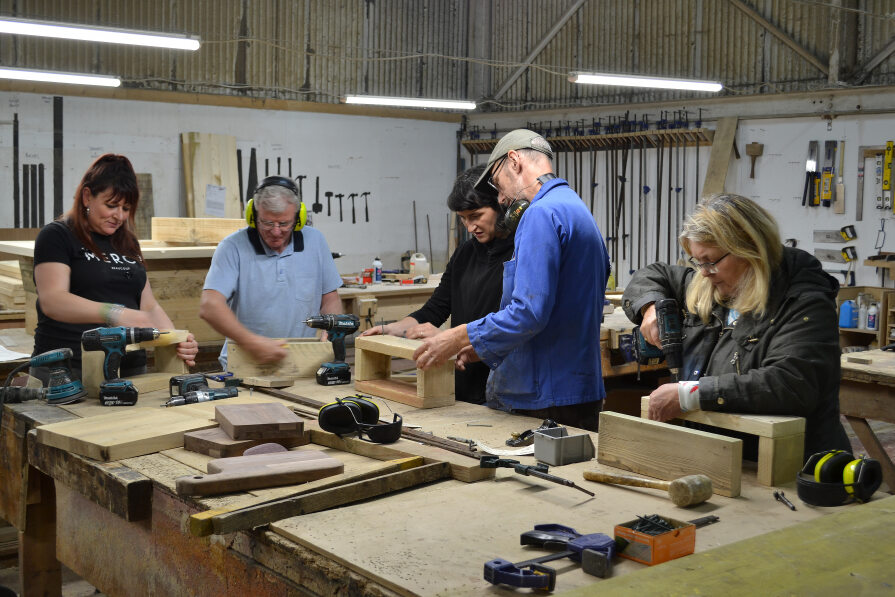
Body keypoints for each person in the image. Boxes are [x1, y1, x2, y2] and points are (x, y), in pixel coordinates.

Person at [623, 193, 850, 458]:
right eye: (698, 262)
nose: (704, 273)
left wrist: (689, 395)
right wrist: (649, 308)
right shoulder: (715, 287)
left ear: (750, 248)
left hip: (792, 465)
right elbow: (653, 274)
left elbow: (789, 384)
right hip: (722, 456)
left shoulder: (803, 302)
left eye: (711, 261)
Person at [412, 129, 610, 431]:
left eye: (498, 183)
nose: (501, 197)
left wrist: (458, 336)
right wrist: (486, 345)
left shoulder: (540, 214)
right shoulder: (575, 208)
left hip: (544, 397)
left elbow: (529, 313)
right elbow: (561, 308)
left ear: (514, 161)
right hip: (578, 389)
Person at [32, 154, 198, 383]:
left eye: (126, 208)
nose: (119, 216)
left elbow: (148, 306)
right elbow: (53, 300)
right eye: (111, 205)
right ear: (87, 196)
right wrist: (115, 313)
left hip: (129, 372)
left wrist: (176, 339)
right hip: (70, 373)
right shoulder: (57, 236)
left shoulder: (127, 242)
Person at [361, 165, 513, 404]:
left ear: (500, 205)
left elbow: (516, 326)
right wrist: (395, 329)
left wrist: (449, 339)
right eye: (463, 219)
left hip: (503, 386)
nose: (470, 227)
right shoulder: (465, 253)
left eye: (476, 216)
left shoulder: (518, 256)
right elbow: (436, 309)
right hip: (460, 386)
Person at [199, 175, 343, 370]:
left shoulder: (315, 241)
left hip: (303, 363)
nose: (276, 232)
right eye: (267, 223)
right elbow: (210, 306)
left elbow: (330, 297)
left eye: (284, 224)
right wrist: (251, 343)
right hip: (245, 364)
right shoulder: (232, 247)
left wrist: (331, 325)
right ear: (253, 216)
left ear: (298, 218)